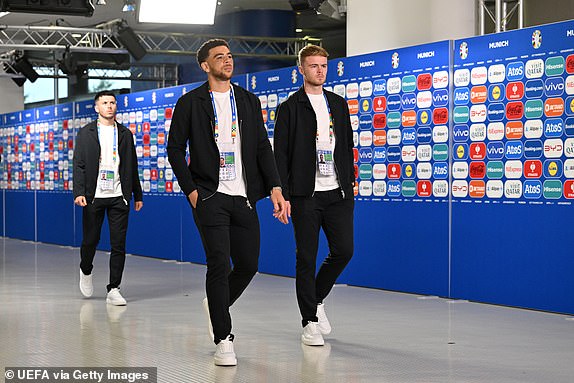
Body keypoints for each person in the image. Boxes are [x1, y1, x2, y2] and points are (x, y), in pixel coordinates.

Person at [167, 39, 288, 366]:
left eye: (230, 56)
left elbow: (263, 147)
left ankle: (215, 305)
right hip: (209, 195)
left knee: (248, 265)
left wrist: (275, 187)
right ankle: (224, 338)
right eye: (219, 57)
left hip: (244, 196)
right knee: (219, 263)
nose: (227, 61)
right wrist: (192, 191)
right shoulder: (190, 103)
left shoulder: (248, 101)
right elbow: (175, 149)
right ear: (205, 66)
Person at [274, 45, 355, 346]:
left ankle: (316, 299)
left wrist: (349, 183)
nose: (320, 70)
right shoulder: (290, 107)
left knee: (344, 250)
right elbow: (279, 155)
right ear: (301, 69)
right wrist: (281, 193)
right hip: (305, 196)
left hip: (338, 193)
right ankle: (309, 320)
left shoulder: (338, 104)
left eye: (323, 65)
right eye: (313, 66)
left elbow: (346, 145)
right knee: (306, 258)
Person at [73, 90, 143, 306]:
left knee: (118, 244)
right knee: (90, 240)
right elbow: (79, 165)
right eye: (104, 103)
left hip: (118, 196)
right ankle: (86, 270)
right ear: (97, 107)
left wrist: (137, 194)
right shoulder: (86, 133)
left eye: (112, 102)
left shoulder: (125, 134)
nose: (109, 106)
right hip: (94, 196)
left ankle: (114, 288)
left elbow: (131, 165)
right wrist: (79, 192)